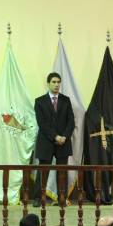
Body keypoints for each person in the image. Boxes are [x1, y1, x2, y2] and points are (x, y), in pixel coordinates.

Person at [33, 72, 75, 207]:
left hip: (63, 142)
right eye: (54, 82)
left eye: (58, 82)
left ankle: (62, 198)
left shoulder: (65, 100)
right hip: (46, 141)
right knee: (43, 171)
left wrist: (64, 137)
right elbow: (42, 123)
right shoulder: (39, 101)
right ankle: (39, 198)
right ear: (48, 83)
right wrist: (55, 136)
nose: (57, 85)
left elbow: (71, 122)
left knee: (62, 171)